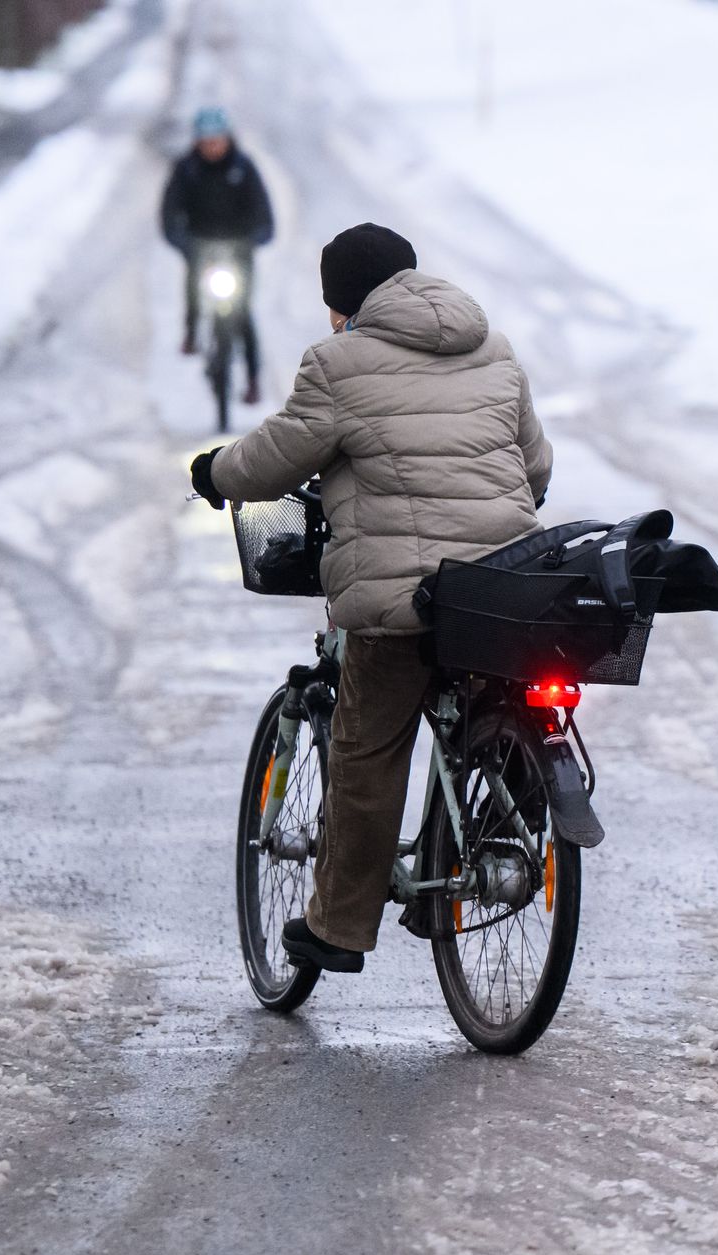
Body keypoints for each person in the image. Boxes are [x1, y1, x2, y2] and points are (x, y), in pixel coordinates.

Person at [189, 223, 553, 973]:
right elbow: (536, 467)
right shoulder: (493, 347)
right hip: (504, 589)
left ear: (341, 304)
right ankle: (491, 837)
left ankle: (338, 926)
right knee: (492, 694)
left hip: (404, 599)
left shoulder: (337, 363)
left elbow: (274, 458)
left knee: (367, 746)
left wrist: (214, 472)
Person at [160, 106, 275, 404]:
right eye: (206, 141)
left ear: (227, 139)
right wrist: (180, 240)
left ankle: (252, 381)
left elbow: (263, 210)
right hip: (201, 247)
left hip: (239, 250)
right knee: (193, 290)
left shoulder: (244, 168)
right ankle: (191, 333)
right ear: (197, 142)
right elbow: (170, 211)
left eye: (217, 140)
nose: (212, 147)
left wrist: (259, 235)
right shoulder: (186, 169)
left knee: (243, 313)